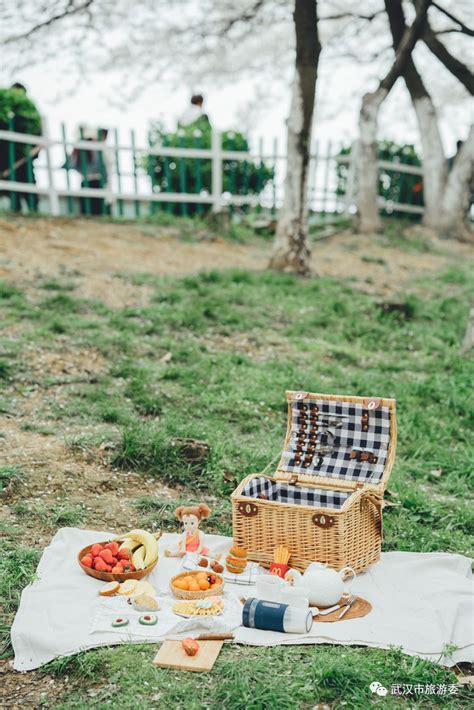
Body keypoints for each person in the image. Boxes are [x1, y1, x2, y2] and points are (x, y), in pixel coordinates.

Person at [0, 83, 42, 212]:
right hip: (8, 159)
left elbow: (38, 142)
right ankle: (16, 209)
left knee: (28, 186)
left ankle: (33, 210)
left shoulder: (28, 120)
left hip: (24, 159)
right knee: (12, 190)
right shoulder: (6, 119)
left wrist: (30, 153)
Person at [68, 126, 112, 215]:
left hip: (87, 181)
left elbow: (72, 165)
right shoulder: (97, 148)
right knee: (97, 212)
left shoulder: (84, 148)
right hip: (97, 181)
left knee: (90, 212)